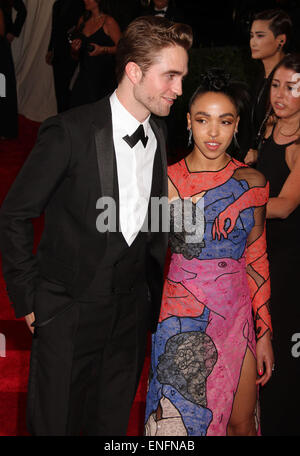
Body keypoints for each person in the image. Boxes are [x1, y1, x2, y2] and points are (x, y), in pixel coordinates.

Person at [0, 15, 192, 436]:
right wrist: (29, 300)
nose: (179, 90)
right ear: (134, 71)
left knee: (109, 424)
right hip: (67, 310)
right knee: (55, 424)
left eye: (182, 77)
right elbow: (15, 213)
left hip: (129, 316)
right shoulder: (69, 131)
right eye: (171, 76)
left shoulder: (159, 133)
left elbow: (151, 219)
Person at [145, 68, 274, 436]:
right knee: (181, 426)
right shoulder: (167, 182)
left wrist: (264, 332)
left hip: (237, 316)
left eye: (225, 121)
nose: (213, 132)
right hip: (181, 316)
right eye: (203, 120)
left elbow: (257, 257)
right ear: (188, 121)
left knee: (241, 423)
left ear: (236, 127)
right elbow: (142, 254)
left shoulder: (253, 183)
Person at [255, 53, 300, 436]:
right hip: (258, 250)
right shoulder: (268, 124)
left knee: (283, 346)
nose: (279, 95)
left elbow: (285, 206)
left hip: (288, 259)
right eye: (275, 85)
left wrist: (233, 206)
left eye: (291, 88)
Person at [242, 9, 292, 165]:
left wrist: (261, 153)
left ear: (281, 40)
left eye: (260, 36)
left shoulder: (290, 78)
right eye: (251, 36)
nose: (253, 42)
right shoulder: (260, 76)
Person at [69, 0, 121, 108]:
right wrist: (75, 48)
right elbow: (75, 55)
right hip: (84, 75)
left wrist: (103, 50)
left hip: (102, 78)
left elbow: (122, 48)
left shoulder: (109, 22)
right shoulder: (83, 19)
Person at [46, 0, 85, 112]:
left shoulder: (81, 4)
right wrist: (50, 49)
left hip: (73, 52)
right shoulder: (57, 4)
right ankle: (61, 116)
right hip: (58, 51)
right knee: (59, 88)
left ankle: (68, 116)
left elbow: (81, 29)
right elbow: (54, 29)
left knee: (69, 88)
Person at [0, 0, 26, 139]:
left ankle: (4, 129)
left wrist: (13, 31)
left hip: (1, 50)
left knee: (2, 89)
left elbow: (22, 11)